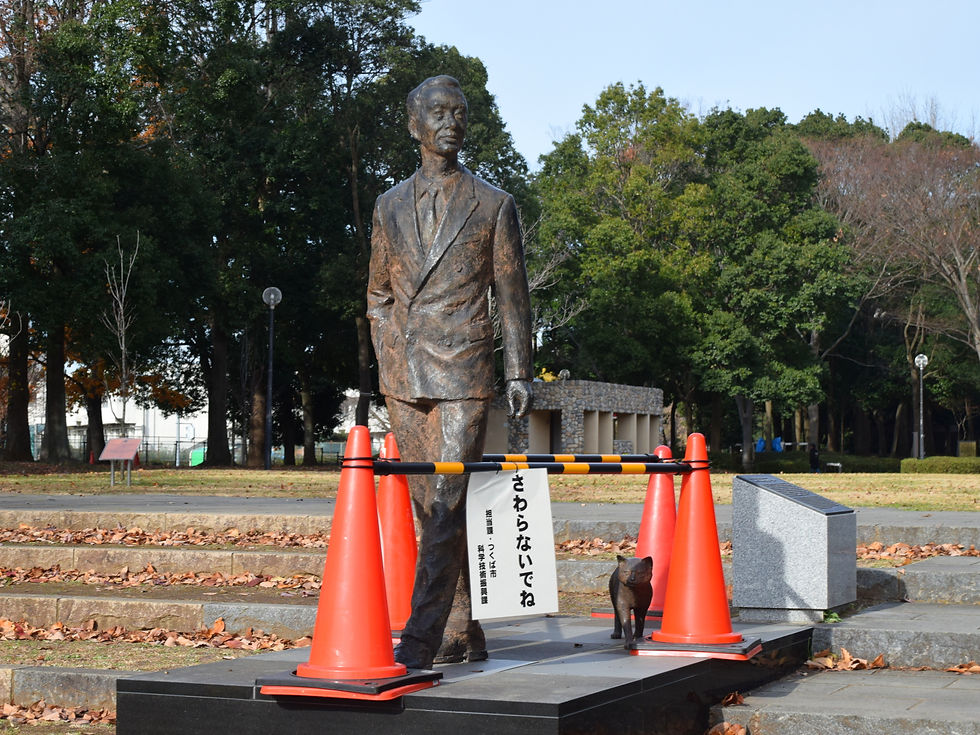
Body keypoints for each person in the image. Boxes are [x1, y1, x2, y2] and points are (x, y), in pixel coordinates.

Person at [366, 75, 533, 669]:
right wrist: (389, 353)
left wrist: (518, 373)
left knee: (445, 497)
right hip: (405, 375)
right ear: (414, 124)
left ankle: (421, 637)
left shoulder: (493, 205)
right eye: (437, 112)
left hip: (465, 371)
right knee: (428, 507)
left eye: (459, 112)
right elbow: (379, 294)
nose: (450, 121)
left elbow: (513, 297)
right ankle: (463, 627)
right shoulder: (388, 206)